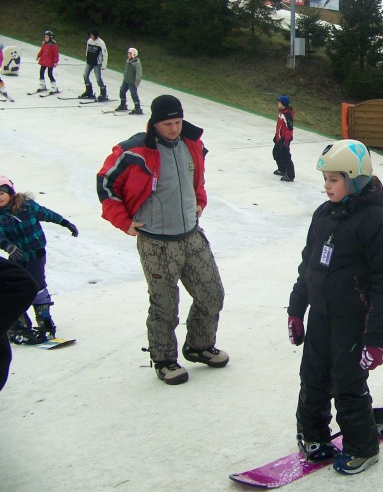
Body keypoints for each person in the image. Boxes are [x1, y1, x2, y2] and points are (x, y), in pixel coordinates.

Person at [97, 95, 229, 385]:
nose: (174, 129)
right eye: (167, 123)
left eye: (178, 122)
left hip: (191, 236)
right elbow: (106, 185)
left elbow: (198, 180)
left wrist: (200, 200)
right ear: (154, 123)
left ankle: (199, 345)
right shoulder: (133, 151)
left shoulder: (192, 144)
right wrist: (124, 221)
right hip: (156, 242)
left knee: (212, 295)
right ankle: (165, 359)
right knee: (164, 304)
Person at [288, 139, 383, 476]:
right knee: (313, 378)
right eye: (325, 179)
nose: (326, 186)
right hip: (321, 314)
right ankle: (313, 434)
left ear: (354, 179)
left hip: (354, 320)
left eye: (334, 180)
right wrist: (296, 310)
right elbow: (309, 265)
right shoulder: (323, 214)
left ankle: (363, 447)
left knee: (347, 383)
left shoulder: (378, 222)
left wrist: (375, 338)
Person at [0, 175, 79, 343]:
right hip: (17, 257)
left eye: (1, 193)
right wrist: (9, 247)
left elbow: (47, 214)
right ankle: (19, 326)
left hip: (36, 255)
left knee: (37, 287)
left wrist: (65, 223)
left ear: (10, 193)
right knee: (16, 288)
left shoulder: (27, 206)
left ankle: (45, 323)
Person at [0, 258, 38, 391]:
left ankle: (42, 319)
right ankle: (19, 325)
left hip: (32, 253)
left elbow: (23, 284)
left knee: (40, 285)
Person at [78, 28, 109, 101]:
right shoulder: (89, 41)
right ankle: (89, 91)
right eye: (90, 35)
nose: (91, 36)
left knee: (98, 78)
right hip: (90, 62)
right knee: (85, 75)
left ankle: (103, 93)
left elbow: (105, 54)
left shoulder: (101, 42)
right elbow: (87, 50)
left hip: (97, 63)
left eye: (92, 35)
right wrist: (87, 58)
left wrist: (104, 64)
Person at [273, 95, 296, 182]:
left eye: (279, 102)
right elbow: (280, 127)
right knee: (276, 153)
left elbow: (289, 129)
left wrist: (286, 141)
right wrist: (276, 136)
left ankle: (290, 175)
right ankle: (282, 170)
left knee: (285, 156)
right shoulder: (281, 112)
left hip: (284, 139)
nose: (277, 103)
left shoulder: (287, 114)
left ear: (283, 104)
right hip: (280, 138)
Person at [115, 48, 143, 115]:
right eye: (128, 53)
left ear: (134, 54)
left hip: (132, 82)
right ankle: (123, 104)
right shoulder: (128, 61)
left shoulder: (137, 63)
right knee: (122, 91)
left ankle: (137, 108)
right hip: (126, 80)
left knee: (133, 94)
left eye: (129, 54)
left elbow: (139, 73)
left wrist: (137, 81)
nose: (128, 55)